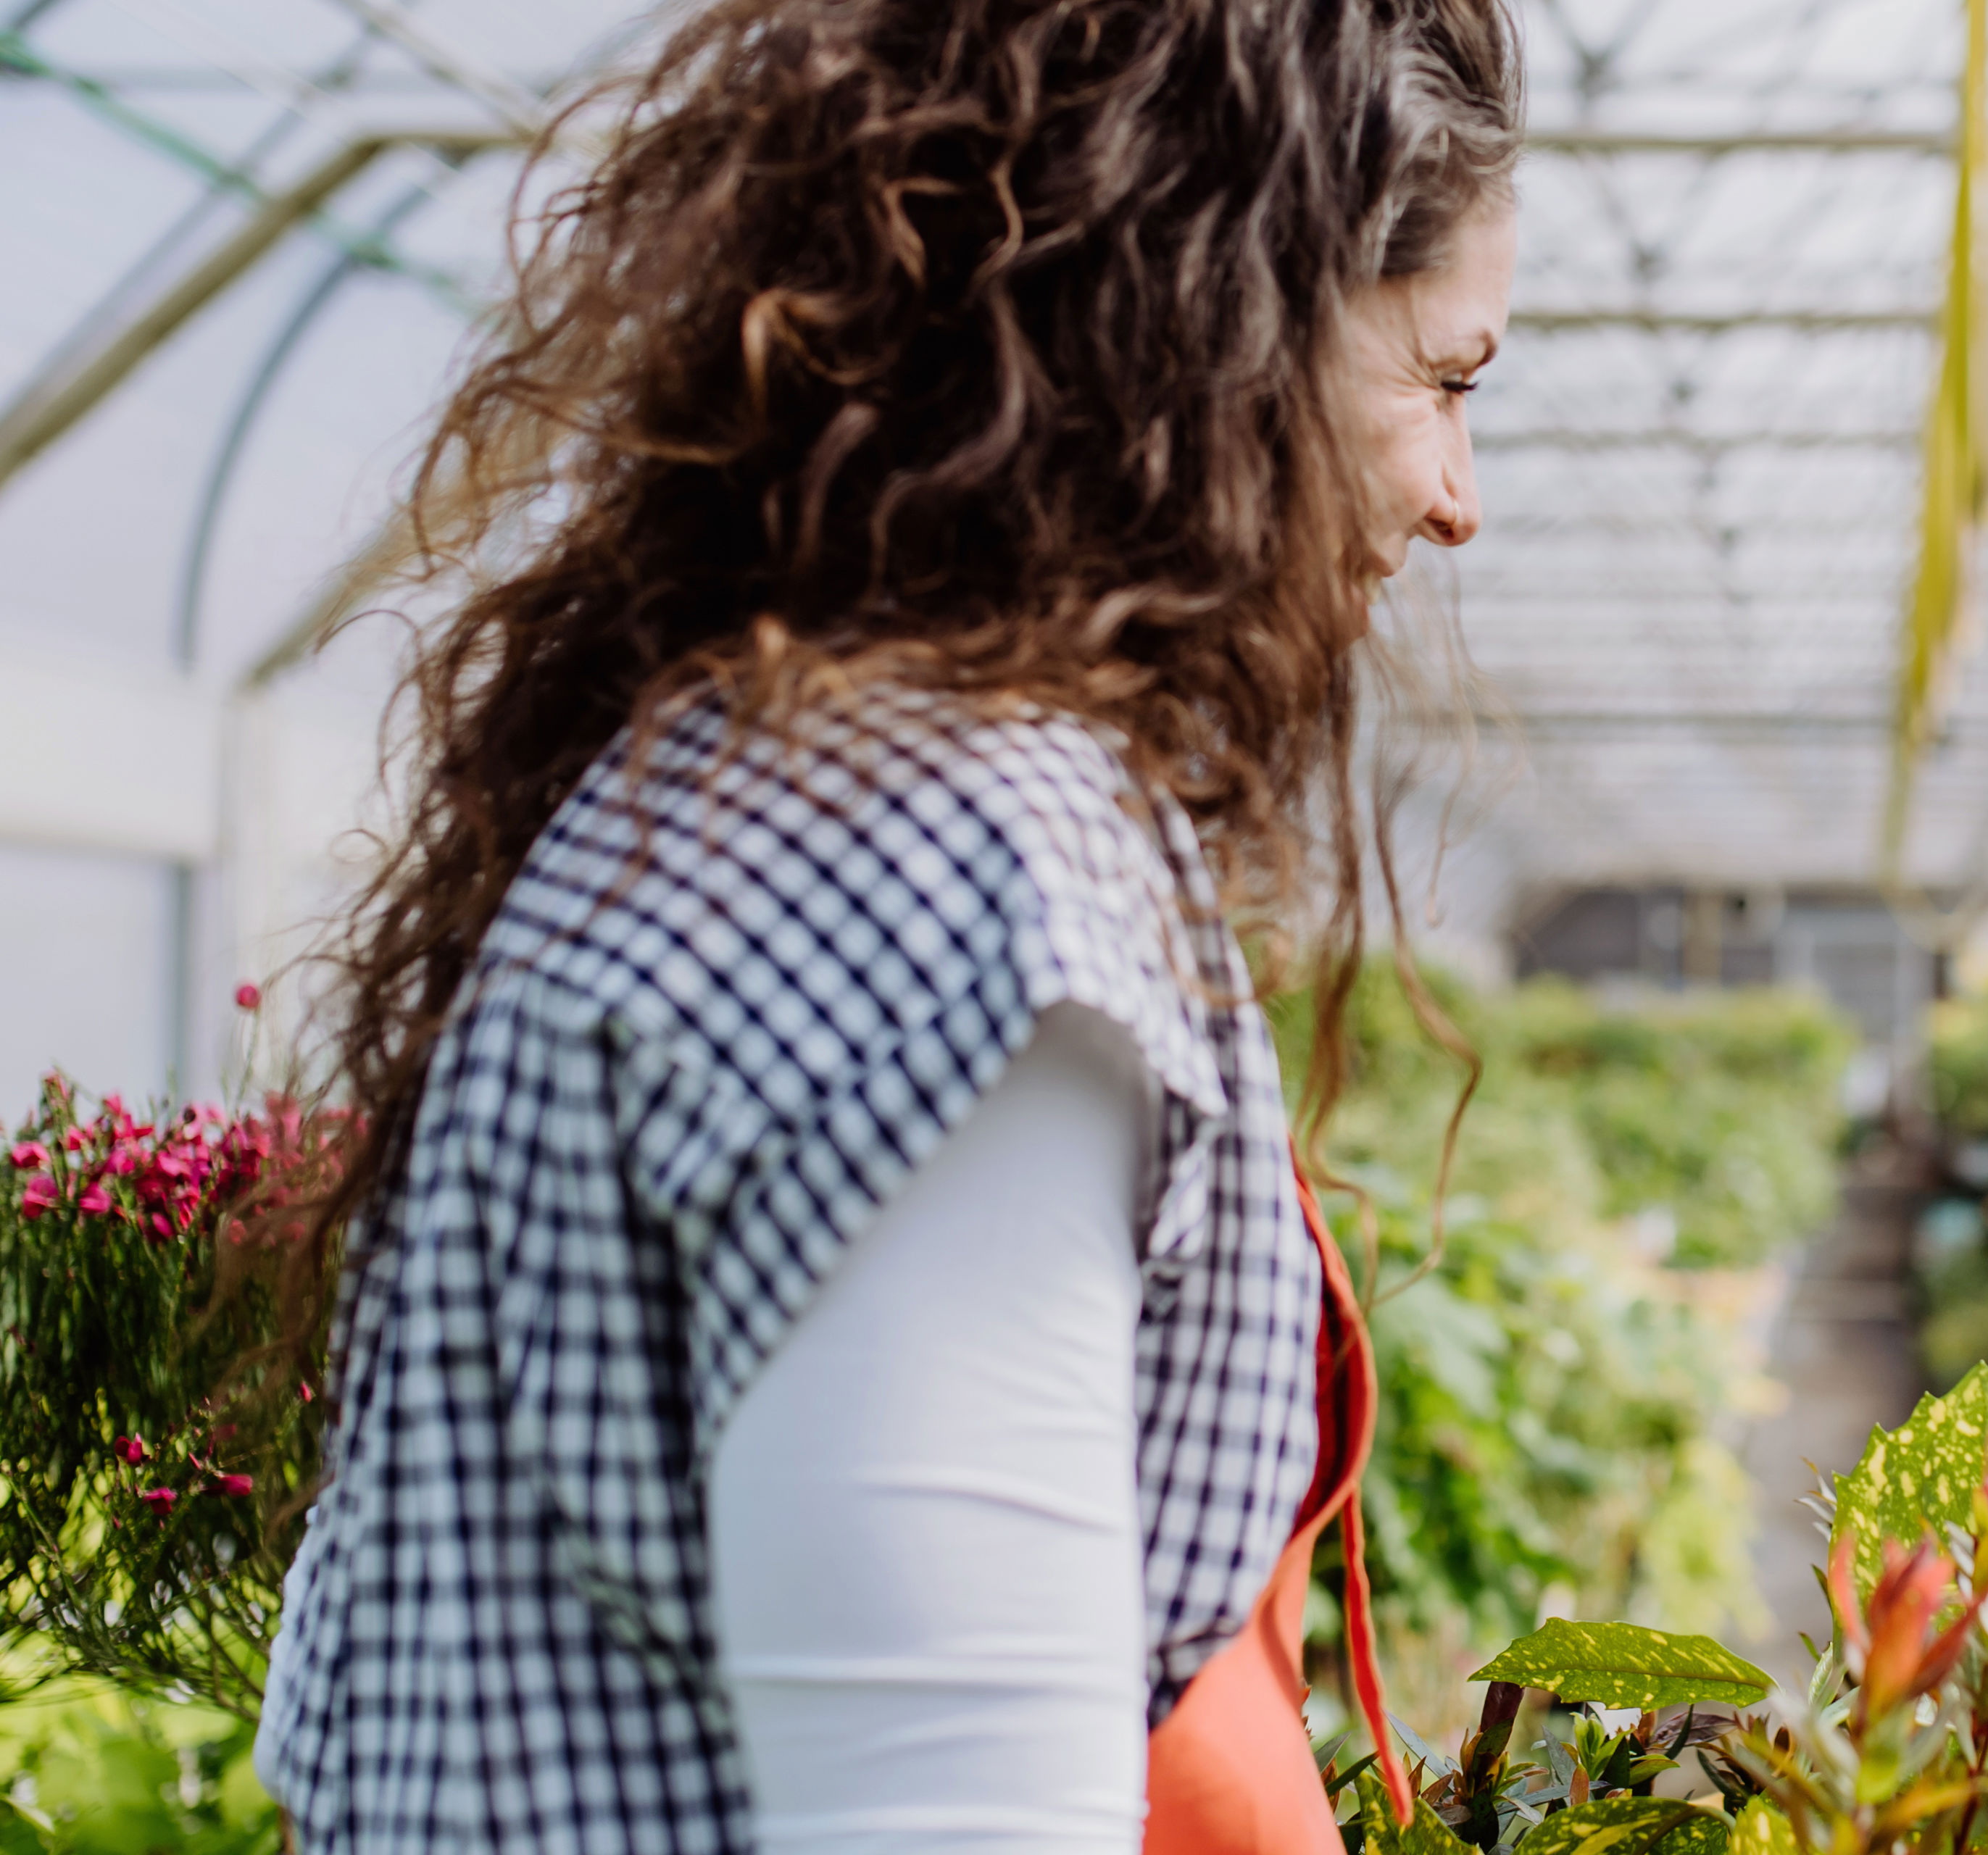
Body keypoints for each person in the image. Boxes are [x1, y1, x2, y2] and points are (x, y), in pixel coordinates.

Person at [251, 2, 1517, 1851]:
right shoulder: (954, 877)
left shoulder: (767, 775)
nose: (1457, 498)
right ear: (1223, 327)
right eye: (1449, 376)